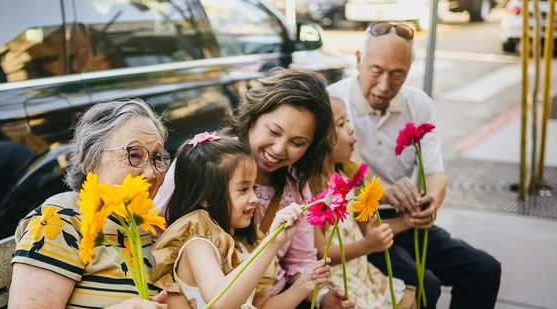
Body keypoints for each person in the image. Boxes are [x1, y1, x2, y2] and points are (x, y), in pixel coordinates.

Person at [327, 22, 502, 309]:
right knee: (424, 285)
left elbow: (435, 172)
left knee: (483, 270)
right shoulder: (333, 103)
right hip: (359, 227)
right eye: (376, 71)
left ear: (409, 70)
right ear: (358, 60)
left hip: (407, 218)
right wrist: (382, 191)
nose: (385, 86)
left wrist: (431, 202)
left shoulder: (419, 104)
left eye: (398, 74)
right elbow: (327, 175)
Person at [153, 68, 355, 308]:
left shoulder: (294, 185)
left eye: (297, 143)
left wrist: (320, 298)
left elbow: (298, 261)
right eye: (273, 132)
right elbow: (156, 235)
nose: (279, 149)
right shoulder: (206, 163)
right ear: (253, 117)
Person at [8, 99, 183, 309]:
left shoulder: (142, 226)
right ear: (91, 161)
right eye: (134, 155)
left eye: (157, 158)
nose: (151, 172)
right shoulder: (61, 221)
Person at [153, 133, 341, 309]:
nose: (254, 198)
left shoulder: (241, 247)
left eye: (254, 188)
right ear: (207, 196)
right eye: (243, 189)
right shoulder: (198, 246)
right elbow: (221, 302)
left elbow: (261, 306)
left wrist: (303, 285)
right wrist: (272, 243)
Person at [310, 96, 417, 309]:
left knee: (410, 301)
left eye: (347, 121)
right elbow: (320, 252)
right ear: (320, 139)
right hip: (339, 279)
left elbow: (364, 227)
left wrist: (407, 221)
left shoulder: (348, 175)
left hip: (361, 271)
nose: (351, 130)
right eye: (341, 125)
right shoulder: (314, 191)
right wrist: (367, 245)